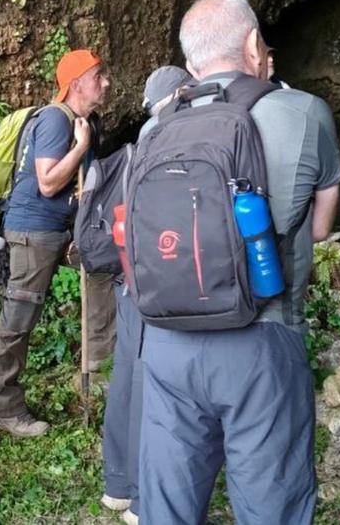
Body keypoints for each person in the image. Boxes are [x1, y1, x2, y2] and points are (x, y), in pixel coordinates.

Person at [137, 0, 340, 524]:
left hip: (164, 340)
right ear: (254, 44)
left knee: (169, 507)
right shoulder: (304, 112)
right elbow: (320, 227)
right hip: (261, 339)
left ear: (188, 64)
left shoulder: (154, 129)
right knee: (270, 504)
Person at [0, 49, 116, 437]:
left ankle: (99, 372)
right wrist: (79, 147)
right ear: (76, 84)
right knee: (19, 318)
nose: (106, 82)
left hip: (60, 231)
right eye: (99, 76)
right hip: (34, 231)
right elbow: (47, 182)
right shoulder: (58, 122)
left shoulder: (81, 122)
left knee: (105, 270)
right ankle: (2, 407)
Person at [100, 65, 196, 525]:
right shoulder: (177, 135)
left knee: (127, 370)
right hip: (163, 276)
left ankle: (118, 484)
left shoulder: (142, 138)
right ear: (181, 93)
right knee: (153, 380)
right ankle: (142, 498)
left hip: (130, 272)